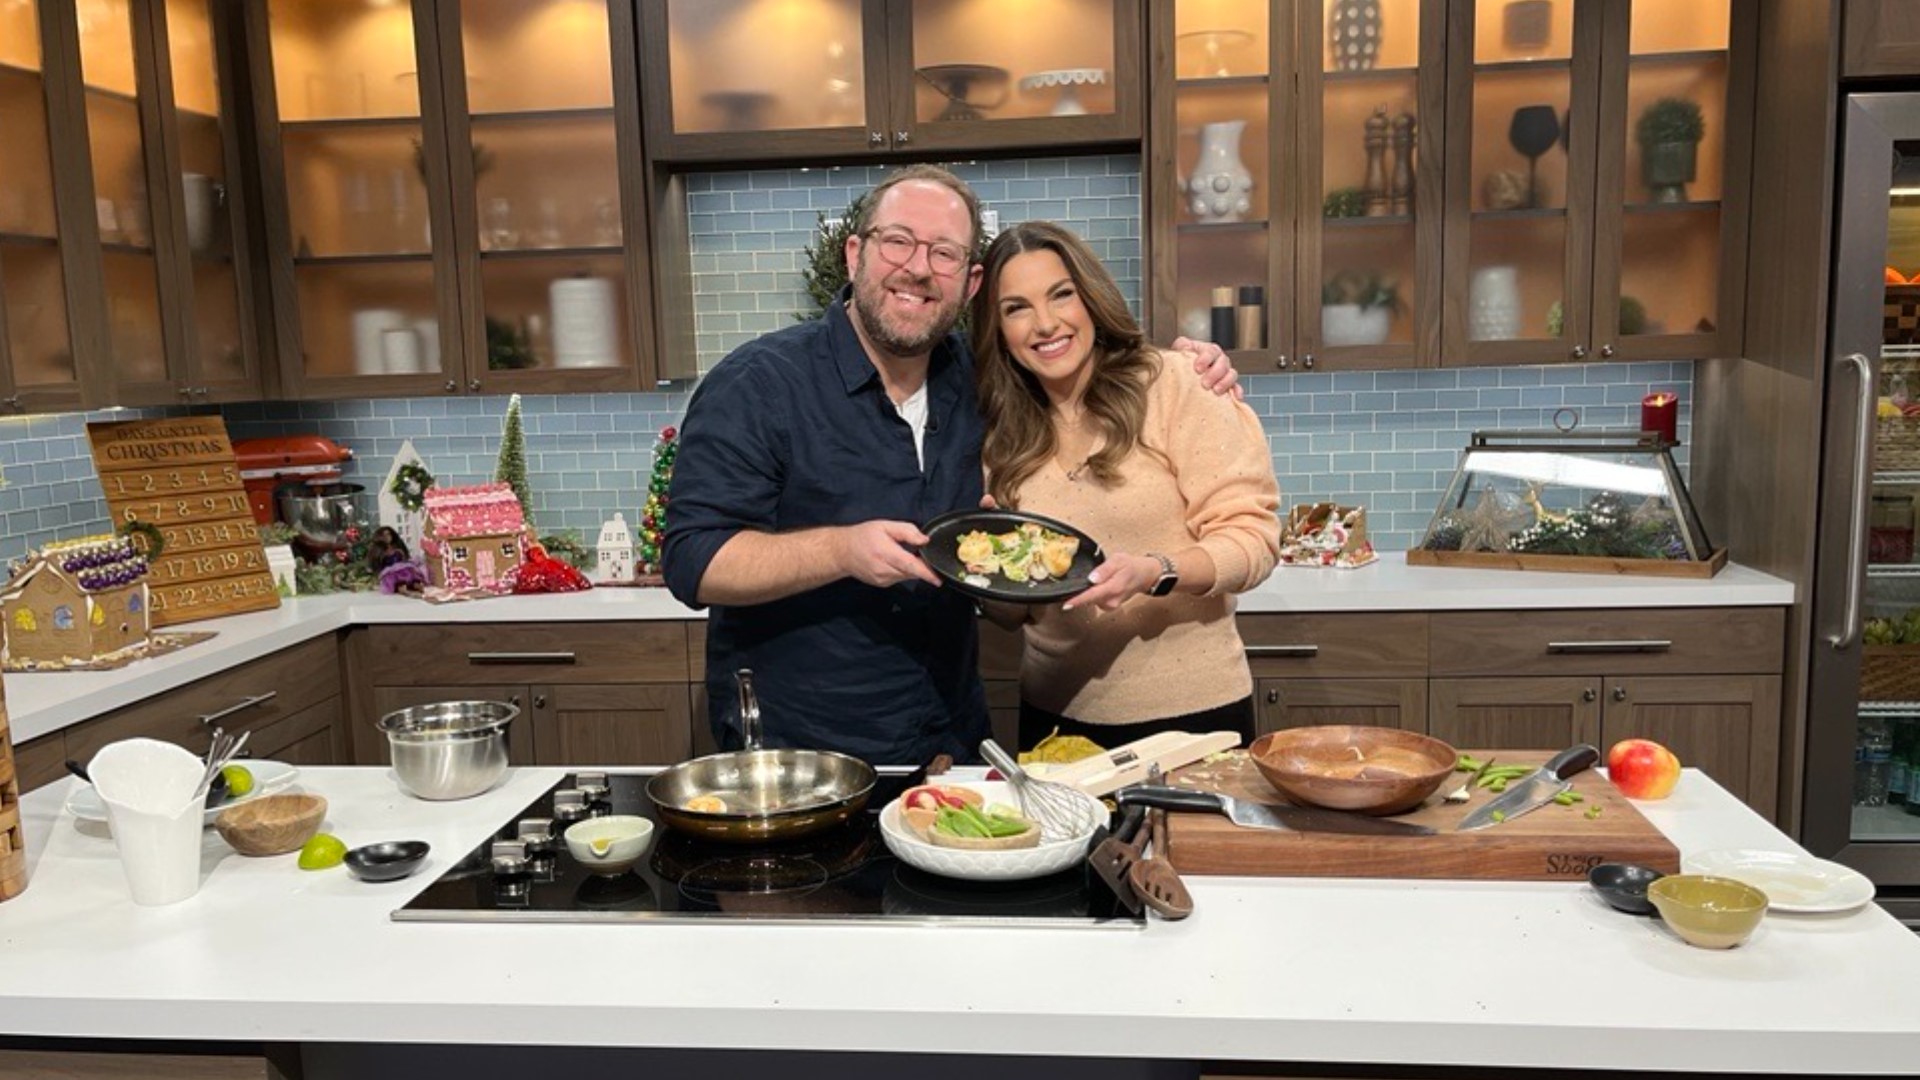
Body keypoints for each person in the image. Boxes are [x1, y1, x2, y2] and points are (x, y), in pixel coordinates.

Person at [664, 165, 1240, 765]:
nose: (917, 268)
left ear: (969, 285)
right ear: (855, 252)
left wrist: (1189, 365)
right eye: (899, 241)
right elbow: (692, 560)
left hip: (952, 743)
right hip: (803, 754)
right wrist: (841, 551)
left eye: (943, 253)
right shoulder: (758, 385)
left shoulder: (988, 383)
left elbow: (1087, 364)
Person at [969, 220, 1281, 750]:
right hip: (1055, 717)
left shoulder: (1176, 382)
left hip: (1191, 718)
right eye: (1016, 308)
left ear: (1090, 298)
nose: (1045, 324)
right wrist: (988, 572)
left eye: (1061, 295)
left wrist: (1154, 571)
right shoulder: (999, 434)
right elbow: (1016, 612)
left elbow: (1254, 542)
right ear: (996, 329)